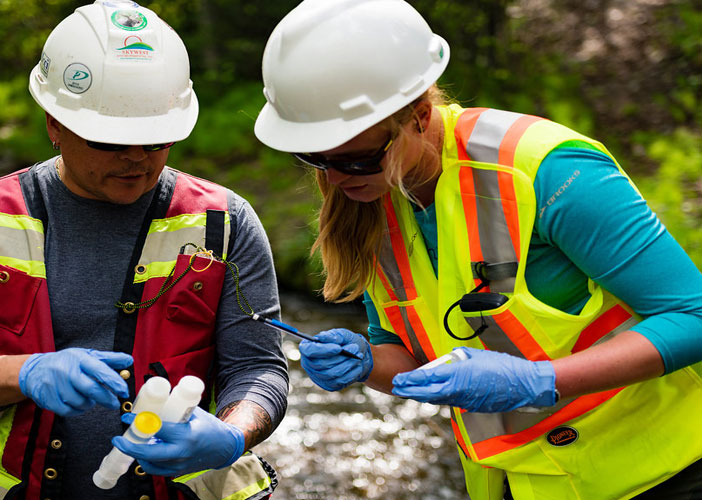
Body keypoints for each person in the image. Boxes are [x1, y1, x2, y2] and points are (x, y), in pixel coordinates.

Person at [253, 0, 702, 498]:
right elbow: (414, 358)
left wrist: (541, 381)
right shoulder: (373, 202)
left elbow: (693, 315)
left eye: (357, 159)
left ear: (420, 117)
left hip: (663, 473)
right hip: (519, 483)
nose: (335, 180)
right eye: (315, 159)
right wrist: (366, 363)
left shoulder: (548, 170)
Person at [0, 2, 288, 499]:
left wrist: (234, 434)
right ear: (54, 123)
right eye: (110, 141)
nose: (136, 159)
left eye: (156, 140)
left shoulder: (224, 222)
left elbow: (258, 371)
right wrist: (24, 372)